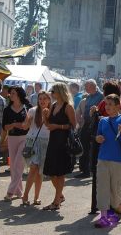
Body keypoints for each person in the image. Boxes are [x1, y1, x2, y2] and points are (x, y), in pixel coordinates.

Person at [93, 94, 121, 228]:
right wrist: (98, 138)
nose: (107, 106)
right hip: (103, 158)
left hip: (117, 160)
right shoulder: (102, 121)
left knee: (114, 190)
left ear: (118, 106)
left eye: (110, 104)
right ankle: (103, 217)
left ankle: (119, 209)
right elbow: (98, 137)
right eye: (106, 104)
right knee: (102, 188)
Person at [42, 83, 76, 211]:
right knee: (51, 172)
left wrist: (58, 126)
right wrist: (45, 116)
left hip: (63, 142)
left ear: (60, 92)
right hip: (53, 141)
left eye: (53, 91)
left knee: (60, 173)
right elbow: (48, 124)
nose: (51, 94)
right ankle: (60, 195)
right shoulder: (54, 105)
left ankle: (56, 201)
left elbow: (73, 125)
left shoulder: (68, 107)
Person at [21, 90, 52, 206]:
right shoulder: (32, 110)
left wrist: (47, 116)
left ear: (49, 100)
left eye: (45, 98)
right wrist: (27, 123)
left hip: (45, 142)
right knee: (33, 168)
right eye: (40, 99)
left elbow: (50, 127)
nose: (42, 101)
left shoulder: (52, 112)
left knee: (40, 172)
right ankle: (25, 195)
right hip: (32, 141)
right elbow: (24, 127)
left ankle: (36, 197)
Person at [2, 86, 29, 201]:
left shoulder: (27, 107)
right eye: (10, 93)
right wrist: (14, 125)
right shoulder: (7, 110)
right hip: (12, 138)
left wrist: (23, 125)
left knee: (19, 163)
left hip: (26, 138)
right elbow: (4, 126)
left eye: (12, 93)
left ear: (19, 95)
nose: (10, 95)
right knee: (13, 166)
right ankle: (19, 192)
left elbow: (30, 124)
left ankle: (10, 191)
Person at [75, 80, 104, 178]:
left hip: (96, 125)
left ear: (92, 86)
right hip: (86, 124)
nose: (85, 88)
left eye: (86, 86)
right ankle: (84, 169)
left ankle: (91, 169)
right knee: (84, 146)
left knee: (93, 148)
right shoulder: (88, 96)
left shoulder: (101, 96)